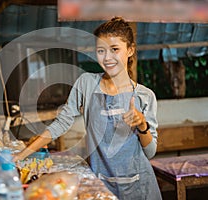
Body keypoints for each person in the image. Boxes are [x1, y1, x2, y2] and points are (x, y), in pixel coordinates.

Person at [13, 17, 162, 200]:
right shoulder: (87, 83)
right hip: (100, 183)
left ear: (130, 50)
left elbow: (150, 151)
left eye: (115, 49)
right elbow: (62, 123)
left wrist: (142, 124)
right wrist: (21, 155)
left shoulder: (144, 96)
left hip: (140, 187)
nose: (107, 58)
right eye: (101, 51)